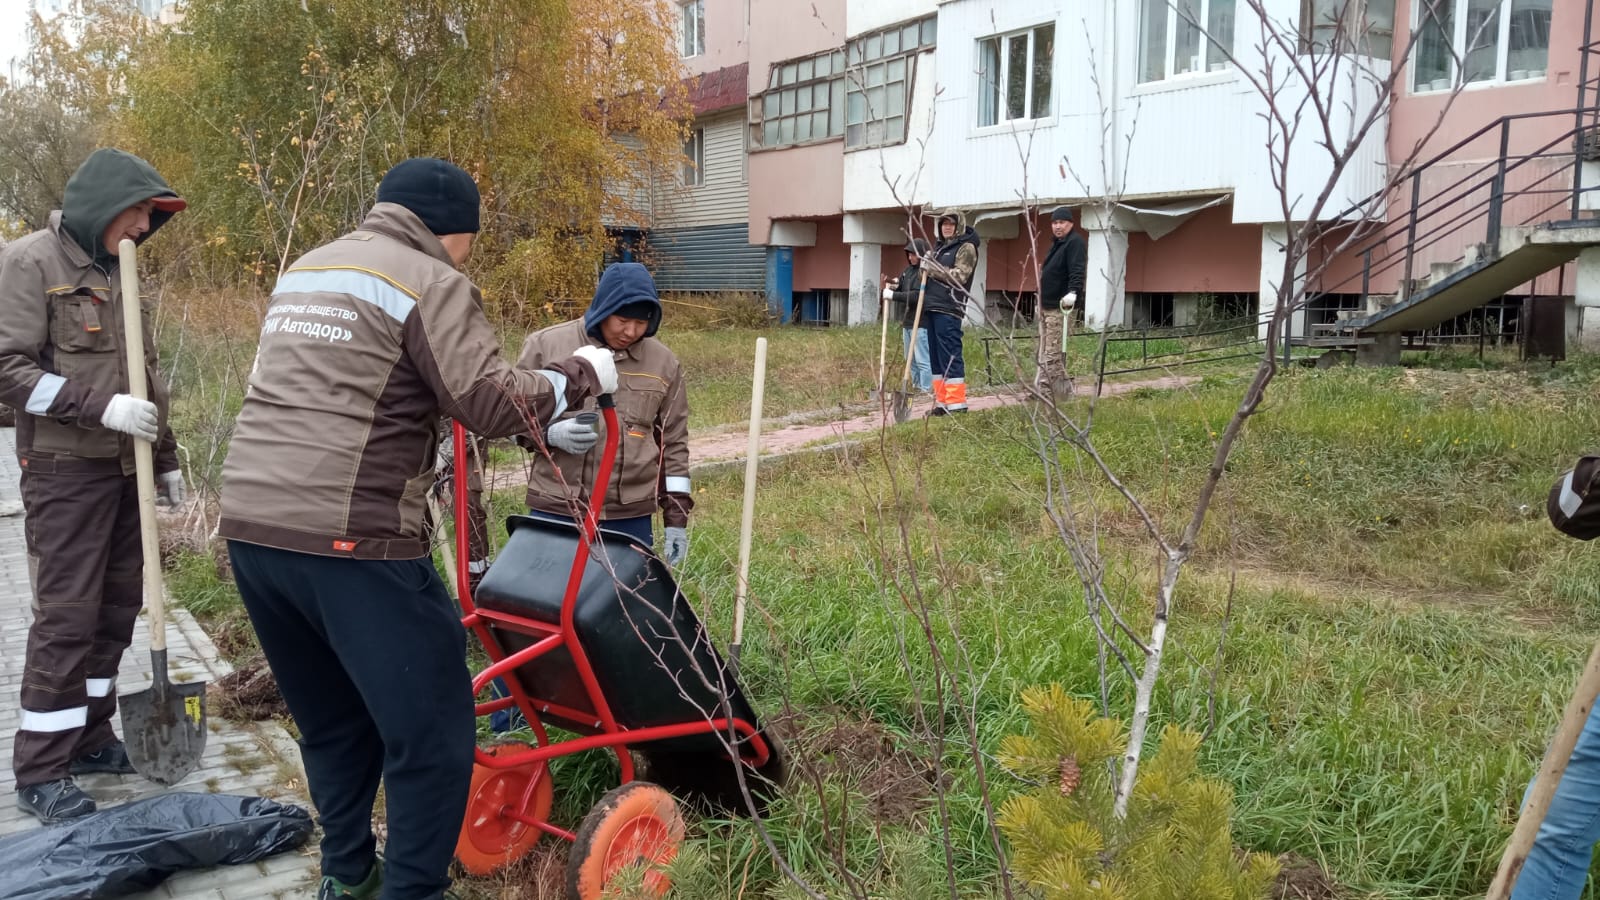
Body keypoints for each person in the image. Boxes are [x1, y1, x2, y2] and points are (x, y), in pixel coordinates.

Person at [217, 157, 617, 900]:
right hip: (352, 536)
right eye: (470, 241)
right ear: (453, 229)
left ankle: (348, 877)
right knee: (433, 732)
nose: (466, 257)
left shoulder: (309, 268)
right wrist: (579, 376)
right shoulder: (428, 278)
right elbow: (486, 399)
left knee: (334, 721)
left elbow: (342, 390)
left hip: (252, 530)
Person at [0, 148, 188, 824]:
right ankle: (40, 769)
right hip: (64, 472)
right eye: (137, 213)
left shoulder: (120, 272)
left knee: (115, 610)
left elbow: (147, 375)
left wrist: (164, 456)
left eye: (149, 217)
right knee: (68, 616)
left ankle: (88, 735)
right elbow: (5, 368)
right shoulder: (30, 263)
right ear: (102, 206)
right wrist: (99, 408)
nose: (143, 227)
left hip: (124, 470)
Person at [516, 262, 692, 563]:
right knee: (550, 591)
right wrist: (548, 434)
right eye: (622, 320)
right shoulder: (545, 346)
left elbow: (673, 443)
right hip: (557, 508)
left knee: (619, 594)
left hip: (629, 517)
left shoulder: (664, 364)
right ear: (603, 309)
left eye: (641, 323)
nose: (631, 331)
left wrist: (676, 519)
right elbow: (507, 419)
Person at [920, 212, 980, 415]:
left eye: (951, 224)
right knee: (936, 358)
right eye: (943, 224)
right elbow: (926, 274)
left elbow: (960, 276)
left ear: (959, 226)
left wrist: (933, 268)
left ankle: (957, 403)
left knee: (950, 354)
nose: (946, 227)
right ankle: (942, 402)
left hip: (949, 307)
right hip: (932, 306)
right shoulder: (939, 248)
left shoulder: (966, 247)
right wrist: (924, 265)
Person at [1037, 206, 1086, 398]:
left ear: (1070, 224)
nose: (1058, 226)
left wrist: (1073, 292)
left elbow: (1077, 270)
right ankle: (1050, 388)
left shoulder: (1075, 243)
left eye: (1062, 222)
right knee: (1045, 350)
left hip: (1061, 306)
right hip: (1046, 305)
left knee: (1053, 351)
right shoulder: (1057, 244)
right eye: (1055, 223)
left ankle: (1047, 392)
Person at [883, 239, 933, 394]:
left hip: (921, 322)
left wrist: (893, 296)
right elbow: (902, 286)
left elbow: (916, 296)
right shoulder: (908, 271)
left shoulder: (924, 272)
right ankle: (917, 387)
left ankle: (926, 389)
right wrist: (893, 286)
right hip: (908, 322)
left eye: (913, 255)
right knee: (910, 359)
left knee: (922, 359)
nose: (910, 258)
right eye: (909, 254)